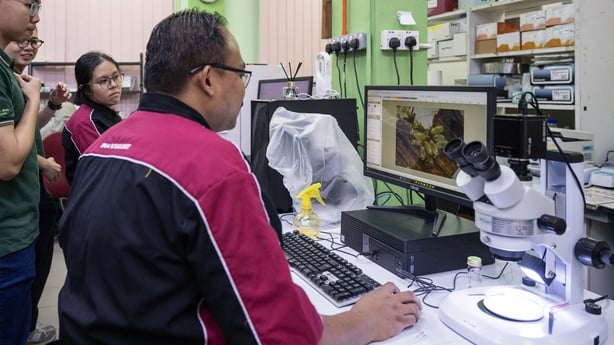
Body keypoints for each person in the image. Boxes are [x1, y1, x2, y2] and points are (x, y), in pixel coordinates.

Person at [58, 9, 422, 345]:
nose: (245, 87)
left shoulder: (102, 148)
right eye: (241, 73)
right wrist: (363, 320)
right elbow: (279, 334)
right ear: (208, 79)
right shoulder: (214, 166)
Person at [4, 28, 73, 345]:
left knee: (36, 271)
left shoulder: (20, 79)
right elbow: (9, 156)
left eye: (34, 41)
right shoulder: (9, 78)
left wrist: (52, 106)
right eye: (23, 40)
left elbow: (30, 131)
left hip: (31, 200)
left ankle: (27, 326)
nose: (29, 46)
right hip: (15, 213)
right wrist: (40, 162)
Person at [0, 1, 42, 344]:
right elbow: (8, 163)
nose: (35, 15)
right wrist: (33, 102)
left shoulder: (5, 70)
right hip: (7, 240)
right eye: (29, 3)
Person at [62, 51, 123, 184]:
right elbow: (110, 169)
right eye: (103, 81)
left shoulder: (108, 113)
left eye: (116, 76)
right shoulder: (85, 122)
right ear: (85, 89)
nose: (113, 84)